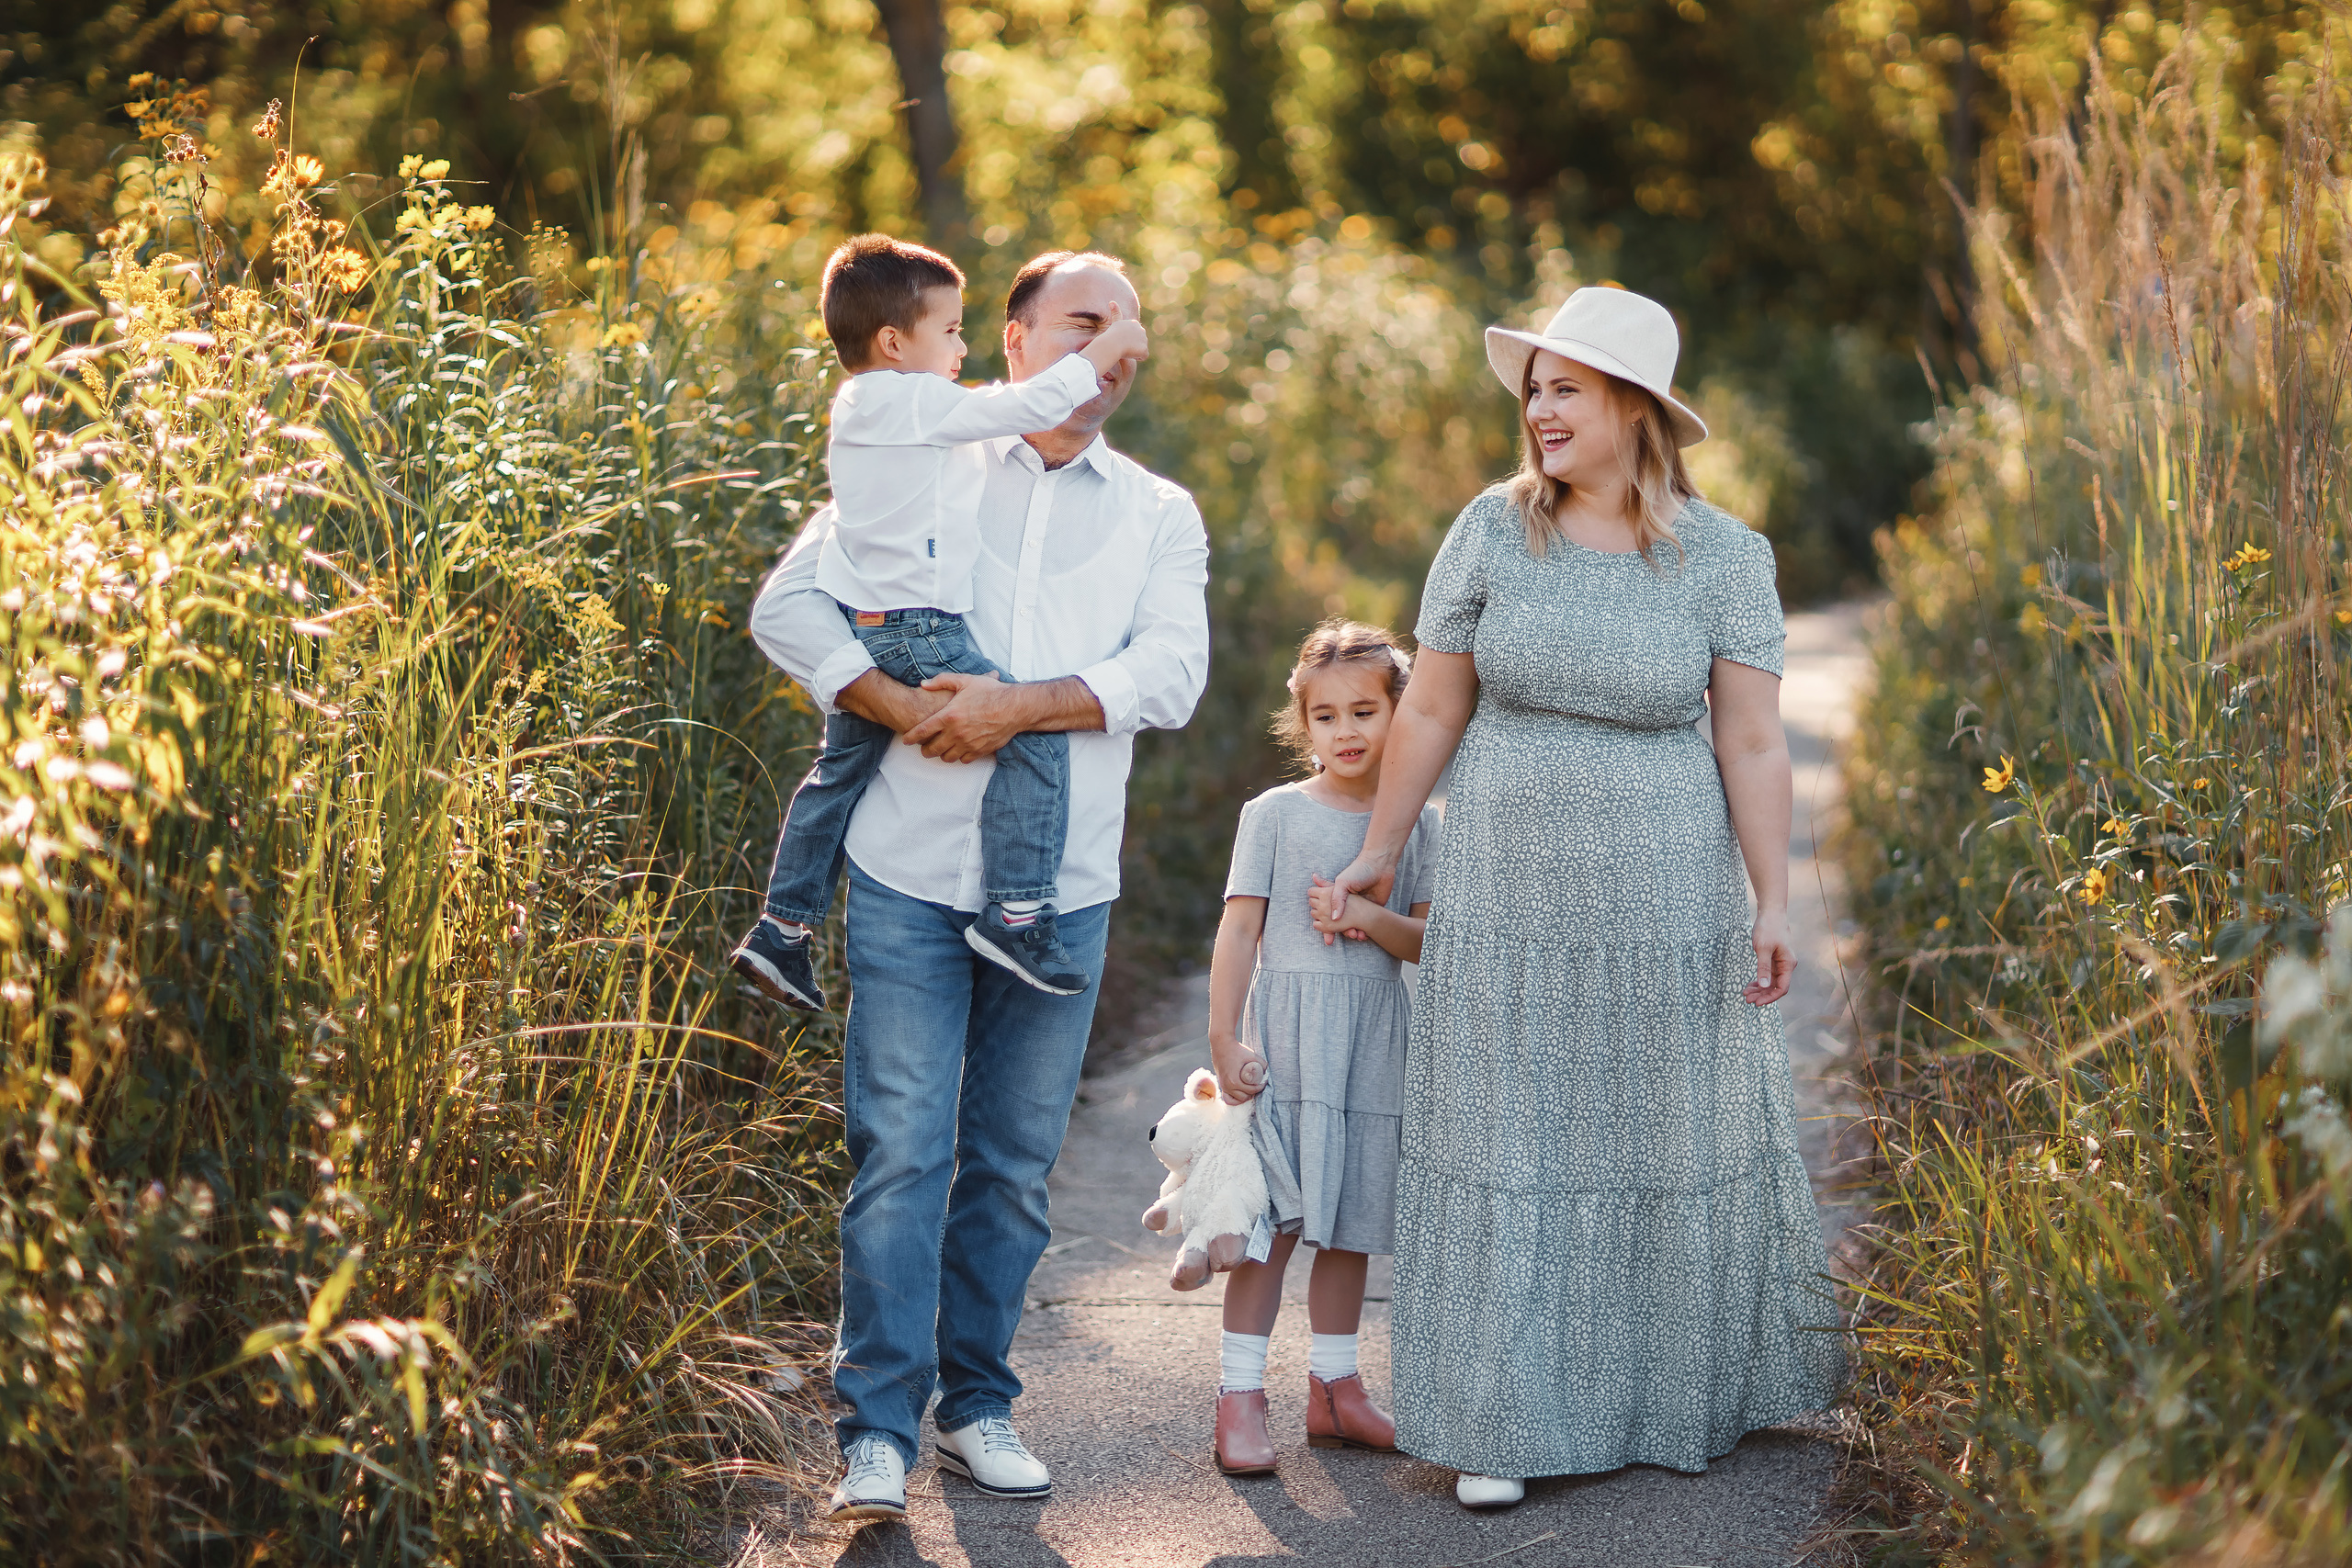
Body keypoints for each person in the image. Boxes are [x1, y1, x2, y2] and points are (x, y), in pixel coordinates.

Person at [1327, 287, 1846, 1509]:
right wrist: (1382, 849)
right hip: (1506, 886)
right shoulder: (1491, 529)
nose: (1540, 411)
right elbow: (1434, 703)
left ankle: (1661, 1397)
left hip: (1666, 892)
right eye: (1534, 390)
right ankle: (1505, 1417)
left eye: (1566, 389)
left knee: (1656, 1128)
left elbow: (1752, 741)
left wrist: (1774, 899)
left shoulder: (1728, 557)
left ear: (1633, 407)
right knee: (1509, 1131)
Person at [746, 251, 1209, 1525]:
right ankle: (876, 1432)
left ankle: (976, 1406)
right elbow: (789, 608)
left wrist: (1020, 706)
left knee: (1009, 1164)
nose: (1114, 347)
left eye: (1128, 327)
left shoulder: (1157, 511)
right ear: (1014, 340)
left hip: (1063, 889)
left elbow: (1173, 674)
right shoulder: (928, 456)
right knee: (901, 1153)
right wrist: (894, 703)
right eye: (1084, 322)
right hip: (907, 870)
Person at [729, 234, 1148, 1009]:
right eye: (951, 331)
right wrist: (1113, 344)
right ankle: (1018, 913)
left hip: (867, 621)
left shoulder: (871, 408)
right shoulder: (906, 399)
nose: (962, 348)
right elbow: (1027, 404)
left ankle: (782, 930)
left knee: (839, 771)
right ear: (895, 343)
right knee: (1034, 739)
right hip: (917, 628)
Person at [1204, 619, 1441, 1476]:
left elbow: (1427, 942)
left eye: (1365, 712)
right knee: (1272, 1227)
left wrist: (1368, 916)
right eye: (1327, 715)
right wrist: (1223, 1036)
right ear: (1302, 723)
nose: (1347, 731)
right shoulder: (1274, 815)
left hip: (1373, 1042)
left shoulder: (1418, 826)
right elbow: (1240, 930)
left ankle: (1336, 1390)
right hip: (1291, 1045)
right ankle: (1239, 1397)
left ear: (1401, 713)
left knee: (1349, 1226)